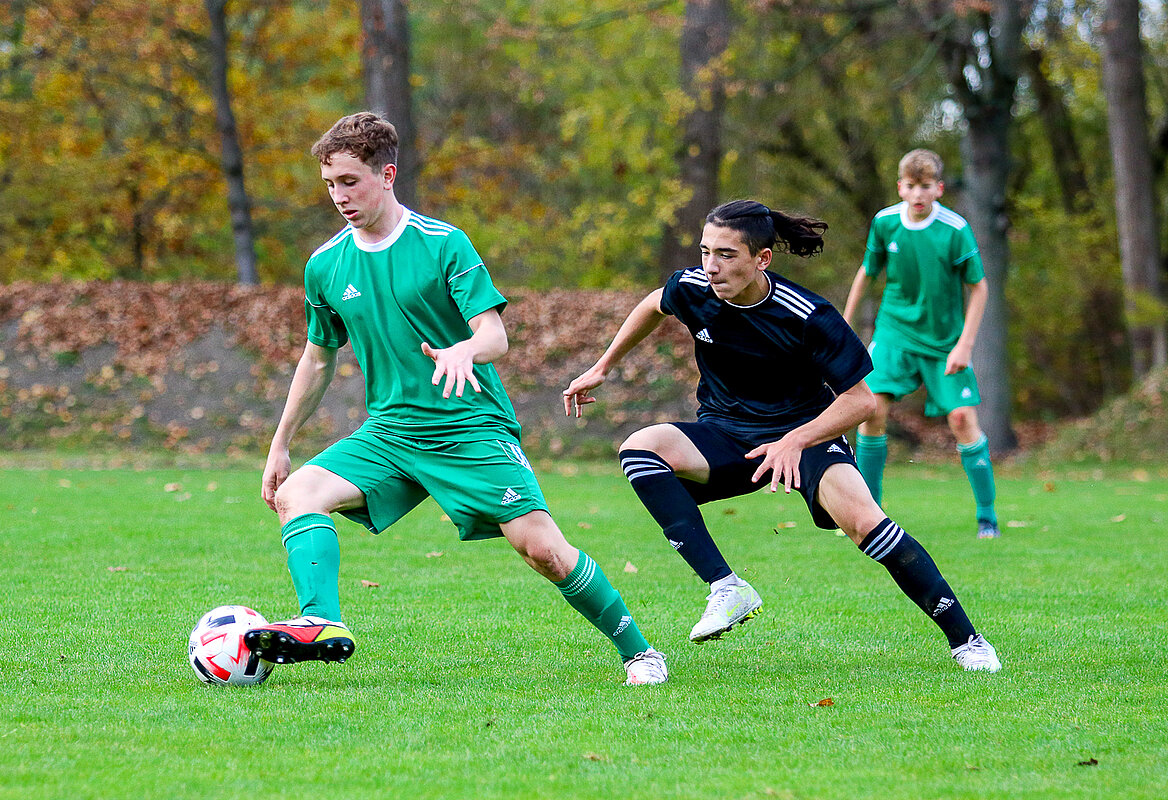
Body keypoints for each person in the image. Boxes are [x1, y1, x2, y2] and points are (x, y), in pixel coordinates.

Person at [246, 111, 666, 686]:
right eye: (329, 185)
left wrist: (467, 349)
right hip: (390, 433)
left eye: (351, 182)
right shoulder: (324, 265)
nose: (339, 196)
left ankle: (640, 652)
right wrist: (280, 445)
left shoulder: (443, 244)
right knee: (298, 495)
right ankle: (321, 621)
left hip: (470, 427)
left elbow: (495, 333)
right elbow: (318, 358)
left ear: (387, 175)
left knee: (543, 551)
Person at [563, 199, 1001, 672]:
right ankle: (726, 588)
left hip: (806, 436)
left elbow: (861, 401)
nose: (711, 267)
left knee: (866, 524)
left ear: (762, 259)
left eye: (727, 255)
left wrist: (795, 441)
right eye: (706, 251)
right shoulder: (694, 288)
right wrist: (603, 367)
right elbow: (654, 303)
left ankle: (968, 641)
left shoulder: (808, 314)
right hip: (727, 433)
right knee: (640, 449)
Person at [842, 149, 999, 539]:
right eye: (910, 186)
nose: (917, 194)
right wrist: (844, 324)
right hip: (894, 331)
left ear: (939, 189)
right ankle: (869, 513)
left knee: (962, 419)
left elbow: (978, 287)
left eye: (925, 186)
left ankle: (987, 518)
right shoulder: (885, 222)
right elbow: (868, 272)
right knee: (871, 409)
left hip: (945, 339)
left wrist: (964, 345)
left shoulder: (955, 228)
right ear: (900, 187)